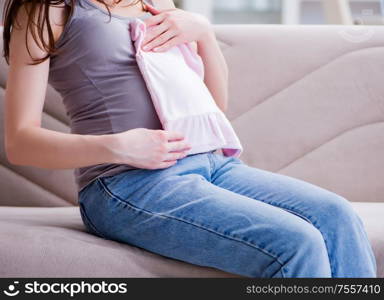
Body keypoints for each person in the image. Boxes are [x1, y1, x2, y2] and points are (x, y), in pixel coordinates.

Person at [3, 0, 377, 278]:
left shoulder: (154, 3)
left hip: (213, 165)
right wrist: (116, 145)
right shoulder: (48, 11)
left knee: (337, 215)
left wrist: (204, 35)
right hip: (126, 184)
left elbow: (212, 104)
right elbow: (21, 142)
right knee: (295, 242)